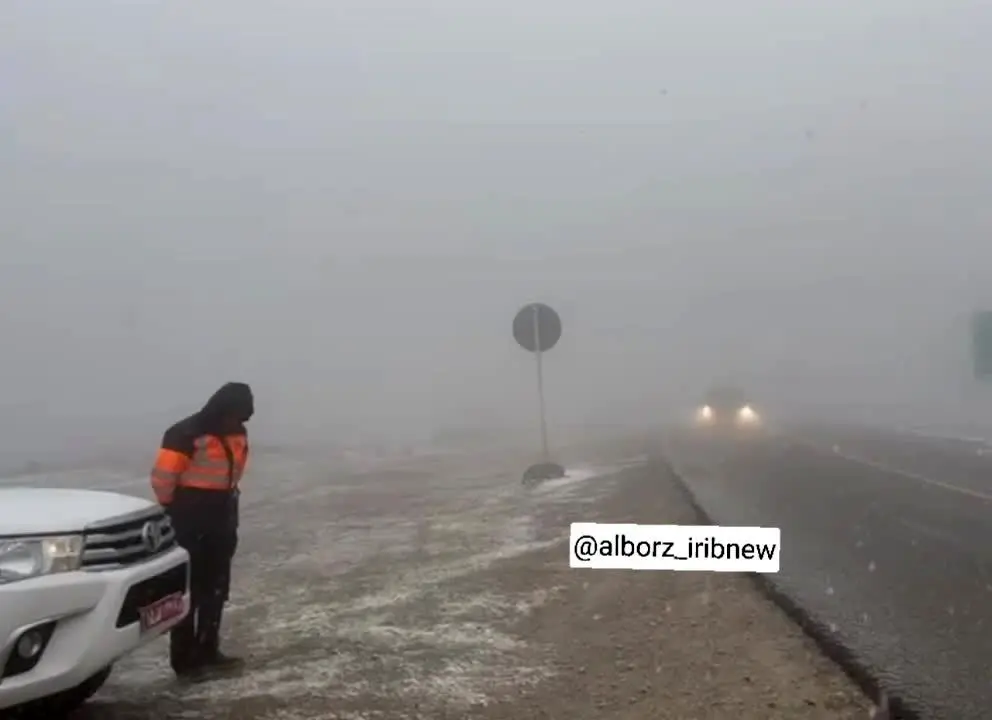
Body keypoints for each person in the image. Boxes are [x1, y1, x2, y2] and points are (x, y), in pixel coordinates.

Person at [149, 381, 254, 679]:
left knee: (216, 586)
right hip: (189, 516)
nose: (238, 422)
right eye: (234, 414)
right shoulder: (184, 433)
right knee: (189, 589)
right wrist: (178, 506)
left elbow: (234, 471)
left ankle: (209, 649)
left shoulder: (238, 434)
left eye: (243, 417)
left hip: (222, 513)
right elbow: (163, 478)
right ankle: (184, 660)